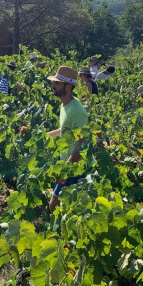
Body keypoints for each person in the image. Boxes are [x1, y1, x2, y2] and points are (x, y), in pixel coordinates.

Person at [47, 65, 89, 212]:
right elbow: (63, 130)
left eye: (57, 83)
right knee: (64, 207)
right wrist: (44, 137)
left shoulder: (77, 111)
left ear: (69, 87)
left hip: (77, 167)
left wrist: (65, 170)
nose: (53, 85)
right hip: (70, 164)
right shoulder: (65, 105)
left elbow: (82, 143)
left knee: (55, 206)